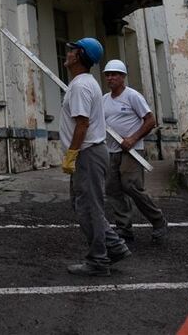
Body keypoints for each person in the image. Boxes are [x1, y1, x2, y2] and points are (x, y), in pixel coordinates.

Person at [60, 37, 131, 277]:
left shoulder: (80, 86)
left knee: (89, 209)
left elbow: (82, 124)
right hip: (91, 152)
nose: (68, 53)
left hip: (87, 152)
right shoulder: (85, 82)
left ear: (80, 55)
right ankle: (114, 247)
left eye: (72, 50)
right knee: (84, 205)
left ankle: (99, 260)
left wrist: (72, 154)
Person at [102, 59, 168, 243]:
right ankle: (124, 229)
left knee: (131, 186)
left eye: (114, 74)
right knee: (113, 189)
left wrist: (132, 139)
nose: (110, 78)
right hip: (111, 151)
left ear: (123, 76)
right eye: (108, 75)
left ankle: (158, 220)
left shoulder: (133, 96)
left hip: (132, 151)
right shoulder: (104, 100)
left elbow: (150, 120)